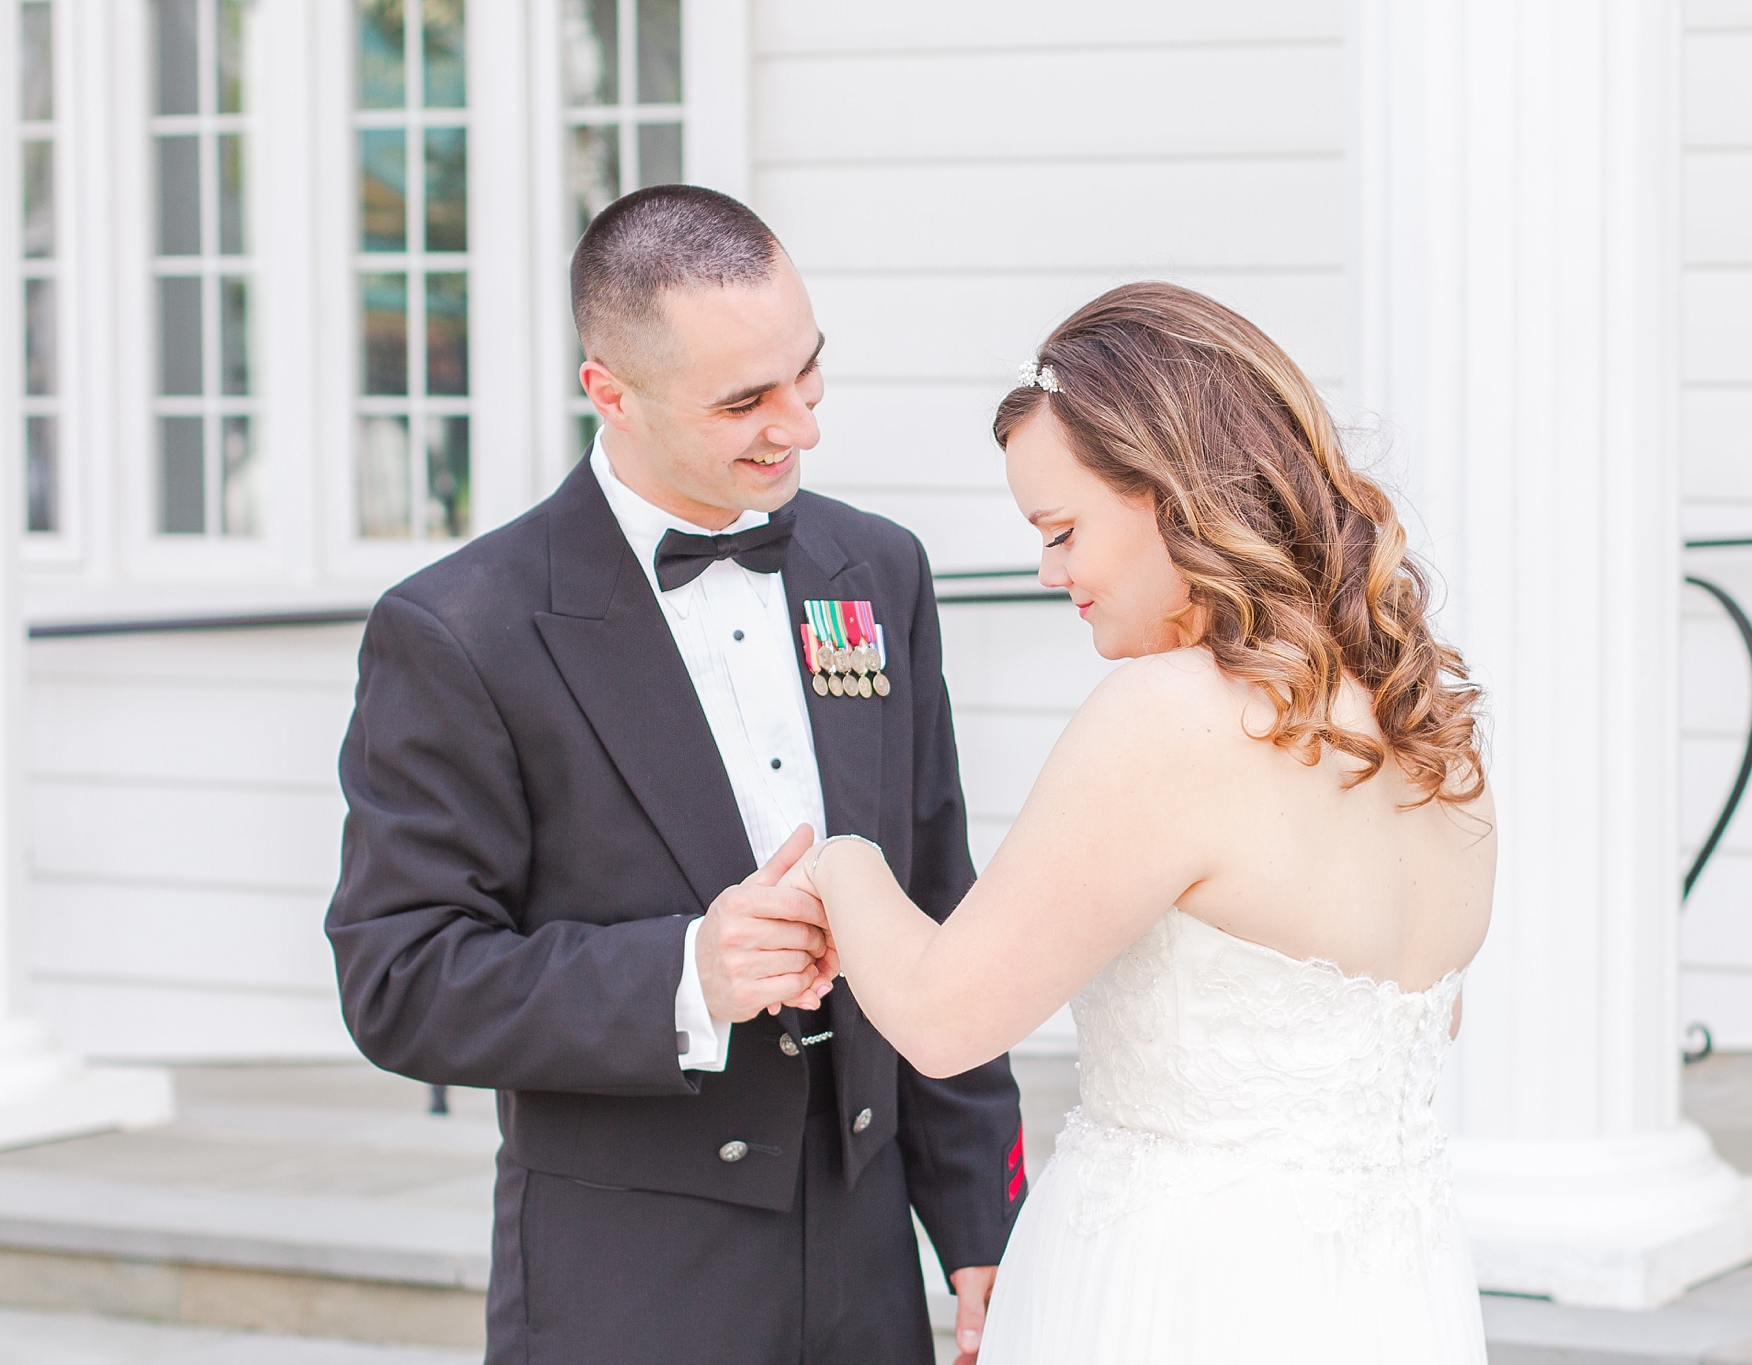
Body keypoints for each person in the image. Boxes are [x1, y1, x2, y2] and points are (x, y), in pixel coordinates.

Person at [326, 185, 1024, 1365]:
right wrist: (686, 973)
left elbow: (940, 907)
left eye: (808, 375)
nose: (795, 427)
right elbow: (399, 977)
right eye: (743, 401)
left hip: (867, 1277)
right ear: (611, 391)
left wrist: (980, 1219)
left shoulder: (877, 569)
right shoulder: (459, 629)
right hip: (627, 1290)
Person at [778, 282, 1498, 1362]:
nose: (1049, 572)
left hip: (1185, 1289)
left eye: (1062, 529)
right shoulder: (1423, 718)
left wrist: (839, 862)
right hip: (1391, 1293)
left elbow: (941, 1018)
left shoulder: (1168, 714)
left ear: (1171, 492)